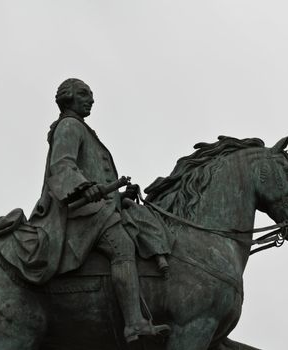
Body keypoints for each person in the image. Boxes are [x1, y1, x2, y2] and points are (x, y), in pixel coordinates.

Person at [28, 78, 170, 342]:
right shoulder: (69, 126)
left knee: (141, 219)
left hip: (100, 207)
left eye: (91, 95)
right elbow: (62, 166)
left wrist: (117, 195)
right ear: (68, 97)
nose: (91, 99)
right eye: (84, 94)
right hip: (81, 211)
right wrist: (83, 188)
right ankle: (134, 324)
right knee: (122, 247)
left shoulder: (83, 129)